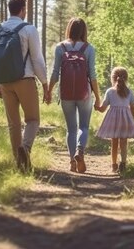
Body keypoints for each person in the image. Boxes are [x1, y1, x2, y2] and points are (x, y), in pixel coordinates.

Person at [0, 0, 50, 172]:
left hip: (5, 82)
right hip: (25, 80)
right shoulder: (29, 29)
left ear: (10, 9)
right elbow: (37, 59)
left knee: (13, 124)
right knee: (32, 120)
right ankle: (25, 148)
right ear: (22, 10)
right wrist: (45, 83)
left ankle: (19, 163)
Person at [45, 18, 101, 173]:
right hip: (84, 94)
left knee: (71, 129)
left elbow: (55, 73)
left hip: (66, 94)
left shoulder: (60, 47)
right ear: (84, 31)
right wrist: (97, 97)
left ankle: (71, 162)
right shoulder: (89, 48)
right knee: (83, 126)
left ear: (69, 29)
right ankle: (80, 152)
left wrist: (49, 91)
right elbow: (92, 76)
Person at [95, 67, 134, 173]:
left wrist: (96, 107)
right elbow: (133, 107)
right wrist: (131, 120)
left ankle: (114, 165)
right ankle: (123, 164)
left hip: (113, 121)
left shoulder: (110, 92)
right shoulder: (129, 92)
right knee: (124, 142)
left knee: (114, 142)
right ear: (126, 78)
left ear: (113, 78)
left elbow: (103, 109)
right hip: (125, 120)